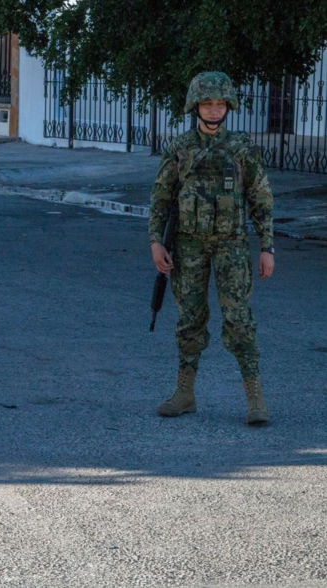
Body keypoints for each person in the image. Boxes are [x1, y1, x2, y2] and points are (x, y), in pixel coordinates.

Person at [148, 71, 274, 426]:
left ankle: (255, 398)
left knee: (239, 320)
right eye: (207, 104)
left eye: (220, 104)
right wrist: (156, 241)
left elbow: (261, 198)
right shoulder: (180, 148)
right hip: (188, 245)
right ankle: (184, 393)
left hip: (231, 245)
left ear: (228, 107)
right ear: (195, 107)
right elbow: (160, 197)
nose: (215, 110)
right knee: (189, 319)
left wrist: (267, 247)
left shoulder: (242, 148)